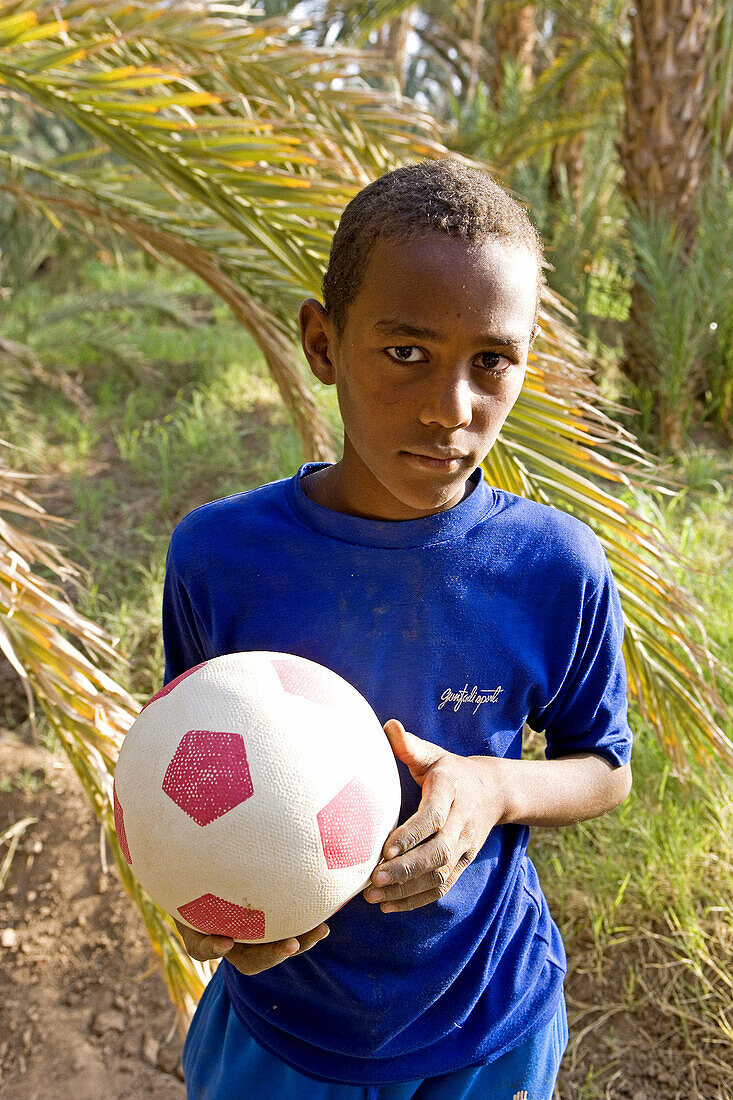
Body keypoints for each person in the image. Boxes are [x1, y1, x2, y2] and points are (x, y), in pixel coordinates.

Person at [163, 158, 633, 1100]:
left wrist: (492, 787)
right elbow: (186, 772)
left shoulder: (553, 567)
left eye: (491, 361)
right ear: (322, 342)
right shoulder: (222, 555)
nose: (451, 409)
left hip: (487, 1023)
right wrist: (208, 907)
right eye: (407, 352)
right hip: (281, 1029)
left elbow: (604, 768)